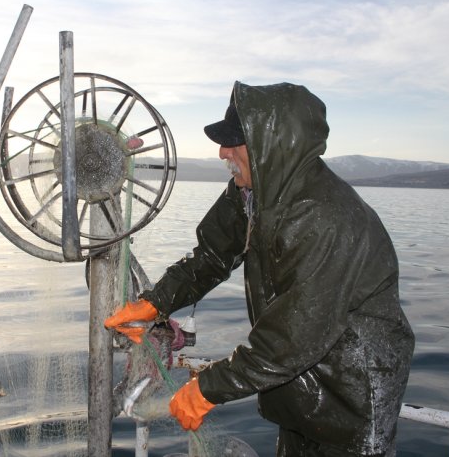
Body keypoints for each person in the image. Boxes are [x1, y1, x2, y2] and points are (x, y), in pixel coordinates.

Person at [105, 82, 415, 456]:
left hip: (352, 399)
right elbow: (212, 255)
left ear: (272, 147)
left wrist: (208, 388)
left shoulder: (326, 217)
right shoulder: (253, 191)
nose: (222, 152)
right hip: (300, 393)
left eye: (234, 142)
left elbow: (294, 334)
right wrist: (156, 302)